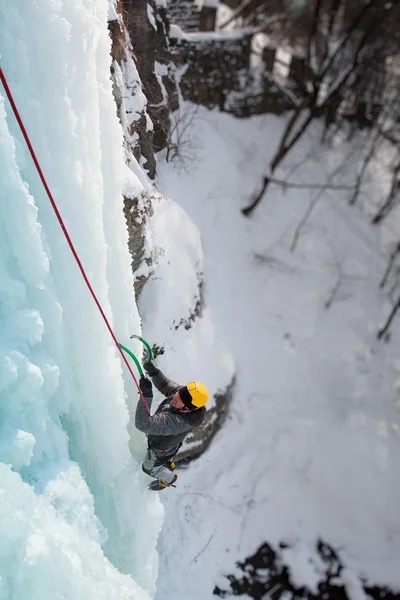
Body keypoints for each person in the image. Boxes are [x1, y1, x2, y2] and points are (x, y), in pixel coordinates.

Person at [135, 361, 208, 490]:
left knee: (148, 468)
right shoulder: (183, 397)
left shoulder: (179, 423)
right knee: (166, 452)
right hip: (169, 443)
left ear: (188, 409)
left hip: (160, 449)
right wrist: (154, 372)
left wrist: (146, 396)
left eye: (179, 399)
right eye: (178, 394)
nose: (174, 396)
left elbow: (143, 424)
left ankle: (168, 479)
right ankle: (168, 463)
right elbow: (166, 385)